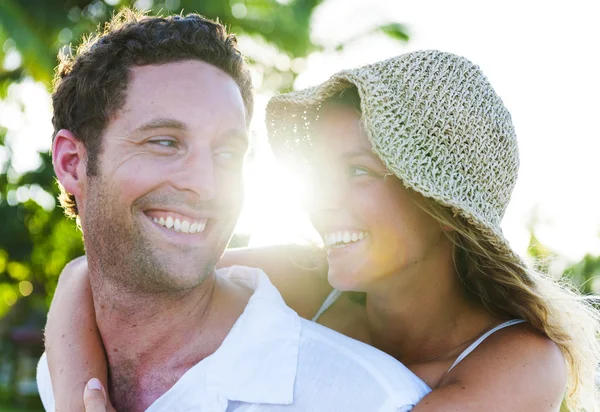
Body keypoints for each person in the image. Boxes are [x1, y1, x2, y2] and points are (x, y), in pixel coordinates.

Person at [44, 46, 600, 411]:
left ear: (445, 209)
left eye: (359, 172)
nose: (323, 200)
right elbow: (88, 275)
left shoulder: (522, 359)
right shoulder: (307, 276)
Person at [36, 9, 434, 412]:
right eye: (165, 142)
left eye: (227, 152)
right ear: (72, 163)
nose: (206, 184)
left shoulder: (369, 400)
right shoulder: (58, 373)